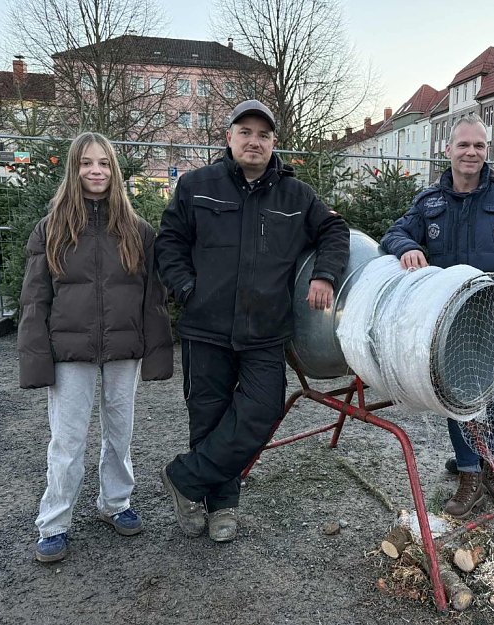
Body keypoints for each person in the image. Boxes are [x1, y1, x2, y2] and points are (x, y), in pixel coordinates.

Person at [155, 100, 349, 542]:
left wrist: (325, 273)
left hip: (265, 331)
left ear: (274, 143)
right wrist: (187, 289)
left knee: (260, 412)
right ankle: (221, 506)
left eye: (263, 135)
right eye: (245, 132)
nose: (254, 141)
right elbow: (170, 243)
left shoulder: (295, 196)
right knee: (208, 416)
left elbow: (334, 231)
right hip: (206, 327)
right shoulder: (196, 186)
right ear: (229, 137)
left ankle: (184, 478)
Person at [380, 115, 494, 519]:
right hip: (451, 321)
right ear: (448, 150)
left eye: (479, 146)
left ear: (486, 151)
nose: (471, 152)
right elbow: (393, 232)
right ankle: (470, 473)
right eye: (464, 145)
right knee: (457, 396)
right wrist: (406, 247)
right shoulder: (429, 203)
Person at [18, 132, 174, 563]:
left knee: (119, 435)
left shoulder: (136, 230)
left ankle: (115, 503)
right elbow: (35, 299)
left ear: (114, 171)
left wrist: (158, 352)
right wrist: (35, 361)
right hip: (70, 354)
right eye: (87, 163)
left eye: (103, 163)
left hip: (124, 352)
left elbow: (151, 297)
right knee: (67, 442)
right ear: (74, 169)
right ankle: (54, 523)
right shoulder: (51, 230)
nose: (95, 171)